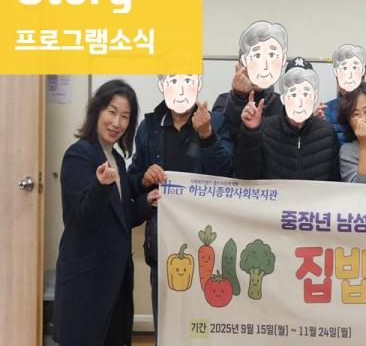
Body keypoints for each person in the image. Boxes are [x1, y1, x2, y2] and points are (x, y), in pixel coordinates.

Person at [127, 74, 233, 333]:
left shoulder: (216, 121)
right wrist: (143, 178)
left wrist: (207, 135)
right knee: (166, 324)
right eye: (173, 82)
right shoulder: (149, 127)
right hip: (163, 243)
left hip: (207, 241)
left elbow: (228, 175)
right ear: (163, 86)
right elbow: (132, 180)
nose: (181, 89)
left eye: (187, 81)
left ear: (198, 84)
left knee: (203, 326)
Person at [53, 80, 156, 346]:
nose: (117, 123)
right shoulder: (78, 155)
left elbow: (122, 217)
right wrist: (100, 186)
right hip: (87, 282)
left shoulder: (117, 159)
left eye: (125, 116)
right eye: (112, 112)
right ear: (97, 110)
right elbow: (83, 215)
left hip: (115, 281)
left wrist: (147, 202)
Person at [234, 59, 340, 181]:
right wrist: (250, 132)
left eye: (306, 94)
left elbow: (334, 184)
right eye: (293, 94)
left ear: (314, 97)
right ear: (283, 97)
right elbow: (245, 176)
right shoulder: (265, 129)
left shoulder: (327, 132)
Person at [218, 20, 288, 119]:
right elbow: (224, 127)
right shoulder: (223, 101)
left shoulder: (283, 105)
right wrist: (238, 97)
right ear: (241, 66)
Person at [324, 43, 366, 143]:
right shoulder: (326, 111)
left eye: (355, 69)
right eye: (344, 69)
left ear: (363, 75)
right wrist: (312, 125)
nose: (349, 76)